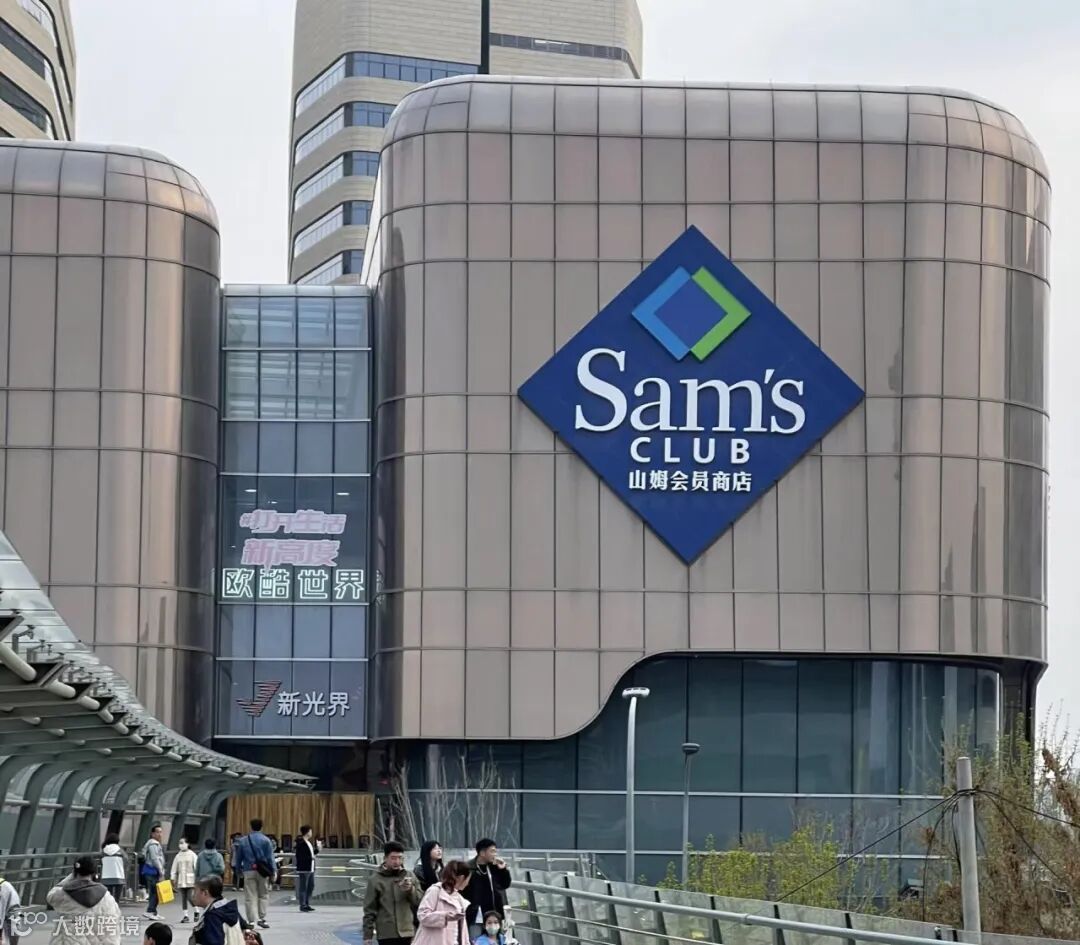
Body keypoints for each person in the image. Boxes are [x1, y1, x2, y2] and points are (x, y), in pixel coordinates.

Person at [46, 855, 123, 945]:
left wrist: (71, 876)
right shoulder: (106, 897)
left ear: (75, 872)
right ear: (94, 873)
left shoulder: (64, 894)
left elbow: (50, 896)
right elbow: (113, 925)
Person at [362, 840, 421, 945]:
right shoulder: (375, 879)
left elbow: (419, 902)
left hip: (407, 932)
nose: (397, 862)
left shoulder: (409, 876)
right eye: (393, 858)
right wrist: (368, 935)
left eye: (400, 858)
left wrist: (410, 890)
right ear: (385, 858)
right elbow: (369, 909)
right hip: (386, 934)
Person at [411, 861, 470, 945]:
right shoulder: (435, 891)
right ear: (461, 878)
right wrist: (444, 916)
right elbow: (422, 915)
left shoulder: (459, 899)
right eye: (468, 879)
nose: (468, 883)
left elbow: (462, 931)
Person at [463, 840, 511, 940]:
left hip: (494, 914)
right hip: (475, 915)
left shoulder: (494, 867)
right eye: (492, 851)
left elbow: (505, 884)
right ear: (482, 853)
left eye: (495, 851)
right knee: (475, 940)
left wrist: (503, 870)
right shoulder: (469, 868)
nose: (495, 854)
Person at [235, 818, 275, 930]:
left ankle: (251, 921)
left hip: (248, 870)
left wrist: (238, 870)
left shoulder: (243, 841)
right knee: (263, 894)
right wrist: (273, 871)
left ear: (251, 826)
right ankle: (262, 918)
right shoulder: (266, 840)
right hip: (263, 871)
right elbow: (270, 858)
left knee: (249, 896)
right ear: (261, 826)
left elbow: (238, 858)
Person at [191, 875, 245, 945]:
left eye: (195, 891)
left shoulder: (212, 917)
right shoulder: (228, 907)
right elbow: (245, 927)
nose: (193, 895)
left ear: (205, 893)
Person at [141, 823, 167, 921]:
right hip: (152, 871)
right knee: (154, 892)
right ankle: (150, 911)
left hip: (152, 871)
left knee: (155, 892)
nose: (160, 834)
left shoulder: (154, 844)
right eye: (157, 832)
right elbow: (155, 858)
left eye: (161, 832)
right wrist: (161, 871)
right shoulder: (153, 844)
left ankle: (153, 912)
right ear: (152, 834)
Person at [171, 837, 198, 923]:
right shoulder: (178, 856)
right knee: (183, 898)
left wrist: (197, 879)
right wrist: (173, 878)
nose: (181, 845)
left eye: (183, 843)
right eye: (180, 843)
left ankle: (196, 911)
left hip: (190, 879)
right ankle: (185, 916)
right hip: (181, 880)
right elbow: (174, 868)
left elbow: (196, 867)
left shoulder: (192, 855)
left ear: (187, 844)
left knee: (190, 897)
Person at [293, 824, 317, 913]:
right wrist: (311, 858)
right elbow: (300, 856)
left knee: (311, 886)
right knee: (303, 886)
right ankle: (302, 905)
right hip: (304, 868)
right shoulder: (301, 843)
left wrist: (318, 850)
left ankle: (307, 903)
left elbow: (311, 853)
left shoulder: (308, 842)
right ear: (307, 832)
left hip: (310, 867)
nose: (311, 833)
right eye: (310, 831)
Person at [100, 833, 127, 902]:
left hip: (106, 876)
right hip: (119, 875)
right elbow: (126, 860)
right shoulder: (120, 850)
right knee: (117, 898)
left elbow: (101, 861)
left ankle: (109, 907)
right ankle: (116, 906)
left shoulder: (104, 850)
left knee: (108, 897)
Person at [0, 875, 21, 944]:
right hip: (9, 912)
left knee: (12, 937)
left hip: (11, 913)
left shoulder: (2, 887)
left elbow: (1, 911)